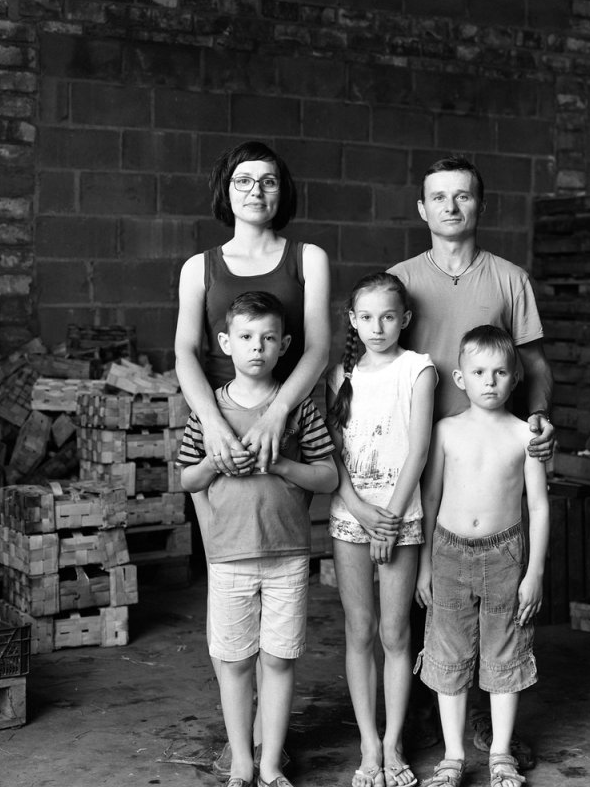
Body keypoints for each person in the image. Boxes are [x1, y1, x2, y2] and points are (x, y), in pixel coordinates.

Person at [387, 155, 553, 762]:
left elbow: (533, 365)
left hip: (493, 454)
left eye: (463, 196)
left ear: (479, 206)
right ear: (422, 209)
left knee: (496, 602)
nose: (451, 207)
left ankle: (482, 720)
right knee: (417, 595)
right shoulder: (400, 280)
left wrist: (536, 420)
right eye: (439, 197)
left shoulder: (510, 279)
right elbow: (373, 364)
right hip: (419, 459)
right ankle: (415, 718)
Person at [174, 140, 331, 777]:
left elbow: (316, 347)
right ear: (225, 189)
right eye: (243, 180)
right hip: (220, 426)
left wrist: (278, 416)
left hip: (284, 422)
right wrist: (212, 424)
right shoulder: (198, 267)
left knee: (280, 616)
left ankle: (269, 748)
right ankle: (245, 746)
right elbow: (187, 351)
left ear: (281, 191)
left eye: (268, 181)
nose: (256, 191)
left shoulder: (308, 258)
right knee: (232, 596)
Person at [415, 325, 550, 787]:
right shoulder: (445, 432)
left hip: (505, 556)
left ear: (515, 380)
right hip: (449, 552)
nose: (489, 381)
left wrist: (534, 573)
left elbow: (538, 506)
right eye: (478, 371)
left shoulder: (522, 435)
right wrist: (424, 565)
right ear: (460, 378)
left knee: (504, 653)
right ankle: (452, 756)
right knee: (448, 653)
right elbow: (429, 502)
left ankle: (500, 754)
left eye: (499, 372)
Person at [326, 273, 437, 787]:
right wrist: (361, 511)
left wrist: (390, 519)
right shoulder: (338, 376)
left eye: (388, 316)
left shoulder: (418, 370)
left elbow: (417, 451)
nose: (377, 326)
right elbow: (333, 456)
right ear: (352, 321)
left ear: (405, 320)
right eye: (366, 317)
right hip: (351, 519)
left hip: (402, 519)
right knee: (359, 629)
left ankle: (394, 741)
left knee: (396, 633)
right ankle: (368, 743)